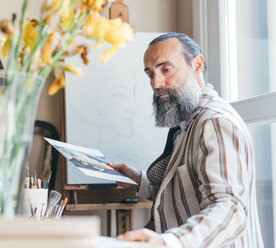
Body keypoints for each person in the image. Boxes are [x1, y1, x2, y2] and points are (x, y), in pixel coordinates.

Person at [109, 32, 264, 248]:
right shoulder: (187, 122)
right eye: (150, 74)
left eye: (166, 69)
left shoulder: (215, 123)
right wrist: (140, 183)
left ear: (197, 65)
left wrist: (169, 241)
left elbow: (231, 209)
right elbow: (186, 195)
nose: (156, 83)